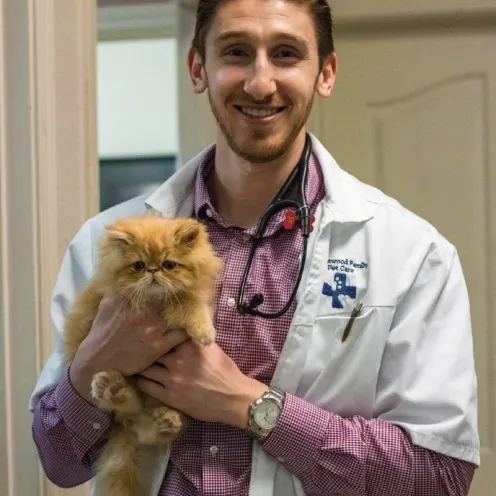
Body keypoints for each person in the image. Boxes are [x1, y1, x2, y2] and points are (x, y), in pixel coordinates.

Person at [29, 0, 480, 494]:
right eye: (237, 52)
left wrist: (250, 405)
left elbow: (440, 475)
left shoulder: (412, 253)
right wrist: (96, 360)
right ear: (199, 68)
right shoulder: (107, 241)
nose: (260, 83)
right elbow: (60, 463)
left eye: (286, 54)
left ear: (325, 74)